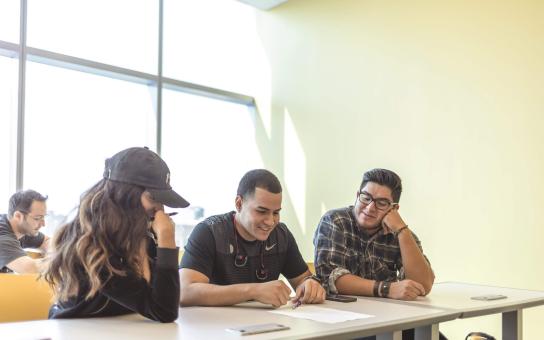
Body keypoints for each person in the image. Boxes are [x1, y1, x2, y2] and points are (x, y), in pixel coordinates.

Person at [44, 147, 189, 322]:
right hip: (79, 330)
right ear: (125, 195)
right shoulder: (91, 244)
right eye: (153, 198)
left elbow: (161, 302)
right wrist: (166, 238)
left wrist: (157, 242)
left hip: (122, 328)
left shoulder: (140, 235)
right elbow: (164, 311)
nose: (159, 209)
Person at [179, 169, 325, 307]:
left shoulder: (281, 235)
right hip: (214, 328)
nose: (270, 221)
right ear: (239, 204)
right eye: (261, 211)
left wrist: (310, 285)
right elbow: (185, 292)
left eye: (276, 213)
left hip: (267, 327)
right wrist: (254, 291)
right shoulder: (209, 232)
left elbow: (302, 280)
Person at [313, 168, 434, 300]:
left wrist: (402, 230)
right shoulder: (335, 221)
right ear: (357, 195)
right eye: (366, 198)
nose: (370, 208)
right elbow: (330, 278)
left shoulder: (400, 233)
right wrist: (387, 289)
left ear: (394, 209)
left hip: (386, 315)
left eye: (381, 203)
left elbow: (423, 285)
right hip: (340, 312)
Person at [0, 189, 49, 273]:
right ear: (18, 216)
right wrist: (59, 260)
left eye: (43, 217)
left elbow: (47, 241)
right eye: (37, 218)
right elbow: (29, 268)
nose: (43, 224)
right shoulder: (3, 236)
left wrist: (54, 252)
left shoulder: (21, 229)